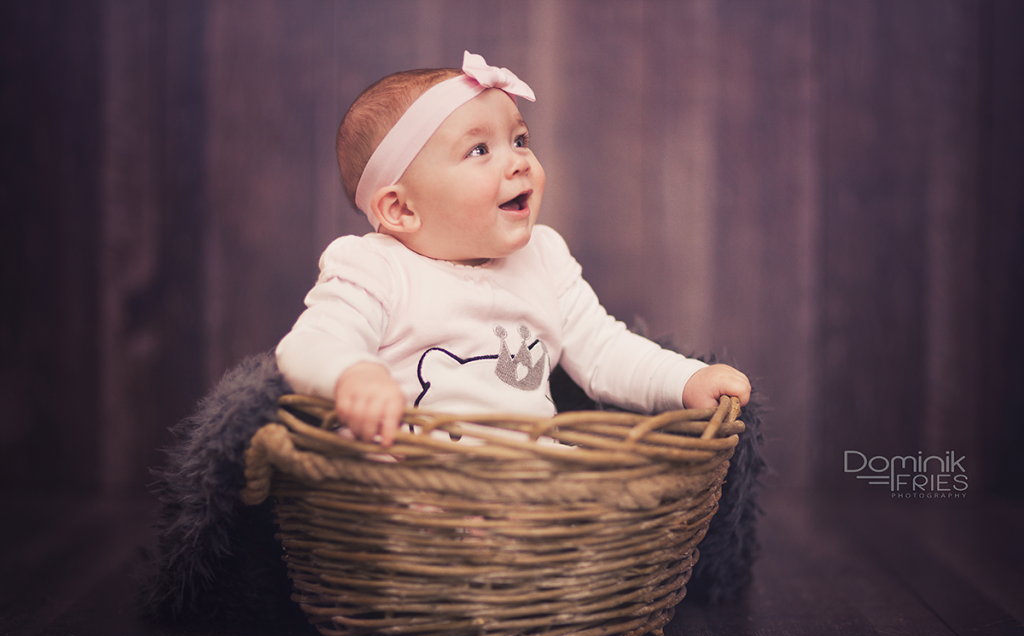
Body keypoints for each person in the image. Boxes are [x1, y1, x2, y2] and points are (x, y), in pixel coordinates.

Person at [276, 52, 750, 447]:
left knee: (611, 490)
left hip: (530, 492)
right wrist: (352, 374)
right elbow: (310, 343)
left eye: (519, 139)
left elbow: (605, 351)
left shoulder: (541, 257)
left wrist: (686, 381)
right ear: (401, 209)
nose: (519, 161)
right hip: (418, 493)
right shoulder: (376, 268)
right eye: (479, 150)